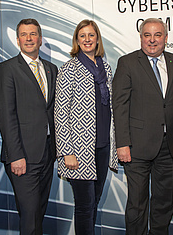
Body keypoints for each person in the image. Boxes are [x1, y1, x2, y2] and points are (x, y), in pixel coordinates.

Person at [112, 18, 173, 235]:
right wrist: (122, 143)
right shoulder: (128, 62)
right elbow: (120, 105)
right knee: (137, 204)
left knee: (164, 203)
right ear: (141, 37)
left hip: (169, 146)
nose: (152, 40)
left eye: (158, 35)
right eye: (147, 35)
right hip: (137, 147)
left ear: (166, 37)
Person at [0, 18, 58, 235]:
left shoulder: (51, 69)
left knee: (38, 214)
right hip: (23, 156)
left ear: (40, 39)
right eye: (24, 34)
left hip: (47, 153)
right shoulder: (7, 69)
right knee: (30, 219)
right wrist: (15, 155)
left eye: (33, 34)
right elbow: (6, 115)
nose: (29, 38)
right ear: (17, 39)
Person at [55, 19, 118, 234]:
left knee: (94, 202)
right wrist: (67, 152)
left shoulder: (106, 68)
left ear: (97, 38)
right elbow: (60, 113)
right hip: (79, 150)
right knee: (84, 206)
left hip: (102, 147)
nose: (87, 39)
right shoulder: (69, 69)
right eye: (82, 36)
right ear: (77, 40)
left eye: (91, 35)